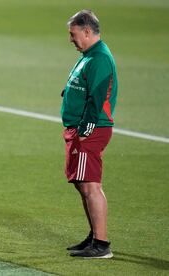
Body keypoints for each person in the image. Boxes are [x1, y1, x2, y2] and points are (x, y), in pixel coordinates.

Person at [61, 10, 118, 258]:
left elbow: (98, 98)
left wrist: (85, 130)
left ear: (87, 31)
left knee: (91, 185)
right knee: (82, 185)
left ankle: (102, 244)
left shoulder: (100, 59)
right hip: (78, 130)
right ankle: (94, 235)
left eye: (73, 34)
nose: (71, 39)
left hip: (89, 131)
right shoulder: (89, 55)